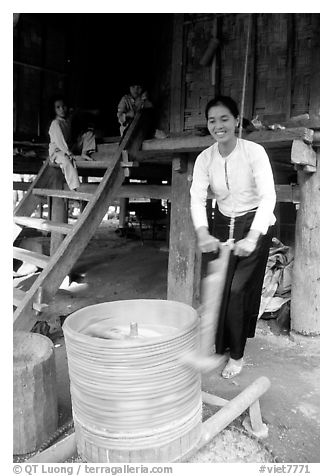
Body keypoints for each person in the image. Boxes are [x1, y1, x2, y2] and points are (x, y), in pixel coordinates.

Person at [190, 95, 276, 379]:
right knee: (218, 287)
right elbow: (196, 198)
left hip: (254, 222)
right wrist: (202, 231)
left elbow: (268, 198)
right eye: (212, 120)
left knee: (238, 290)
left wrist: (252, 237)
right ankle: (219, 347)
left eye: (224, 119)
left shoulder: (254, 152)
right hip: (221, 220)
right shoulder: (205, 158)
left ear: (237, 120)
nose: (218, 126)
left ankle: (236, 355)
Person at [48, 96, 96, 190]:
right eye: (58, 107)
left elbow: (77, 111)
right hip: (58, 151)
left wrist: (93, 112)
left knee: (89, 133)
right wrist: (70, 154)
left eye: (63, 106)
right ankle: (74, 188)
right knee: (67, 161)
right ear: (54, 110)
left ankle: (84, 153)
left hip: (70, 147)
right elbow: (60, 142)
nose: (62, 109)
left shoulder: (67, 119)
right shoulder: (56, 123)